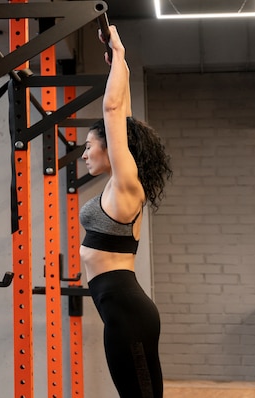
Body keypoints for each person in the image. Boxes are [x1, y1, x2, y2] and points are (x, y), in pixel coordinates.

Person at [80, 25, 172, 398]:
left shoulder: (125, 184)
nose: (84, 153)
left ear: (108, 147)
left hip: (127, 313)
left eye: (89, 146)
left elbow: (115, 111)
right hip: (121, 310)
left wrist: (119, 54)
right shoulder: (121, 182)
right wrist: (123, 70)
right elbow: (126, 121)